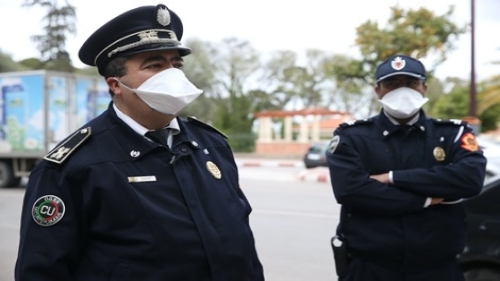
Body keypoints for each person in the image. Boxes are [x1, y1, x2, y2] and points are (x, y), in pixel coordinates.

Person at [15, 4, 264, 281]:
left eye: (176, 64)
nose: (173, 74)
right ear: (116, 84)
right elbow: (42, 271)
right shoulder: (75, 166)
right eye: (155, 65)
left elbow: (242, 244)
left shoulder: (212, 145)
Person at [326, 54, 487, 281]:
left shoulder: (452, 134)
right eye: (392, 84)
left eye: (411, 83)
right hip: (370, 268)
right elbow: (350, 190)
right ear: (377, 91)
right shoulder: (352, 137)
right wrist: (426, 200)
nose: (402, 91)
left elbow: (470, 180)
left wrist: (392, 178)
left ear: (424, 88)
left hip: (437, 269)